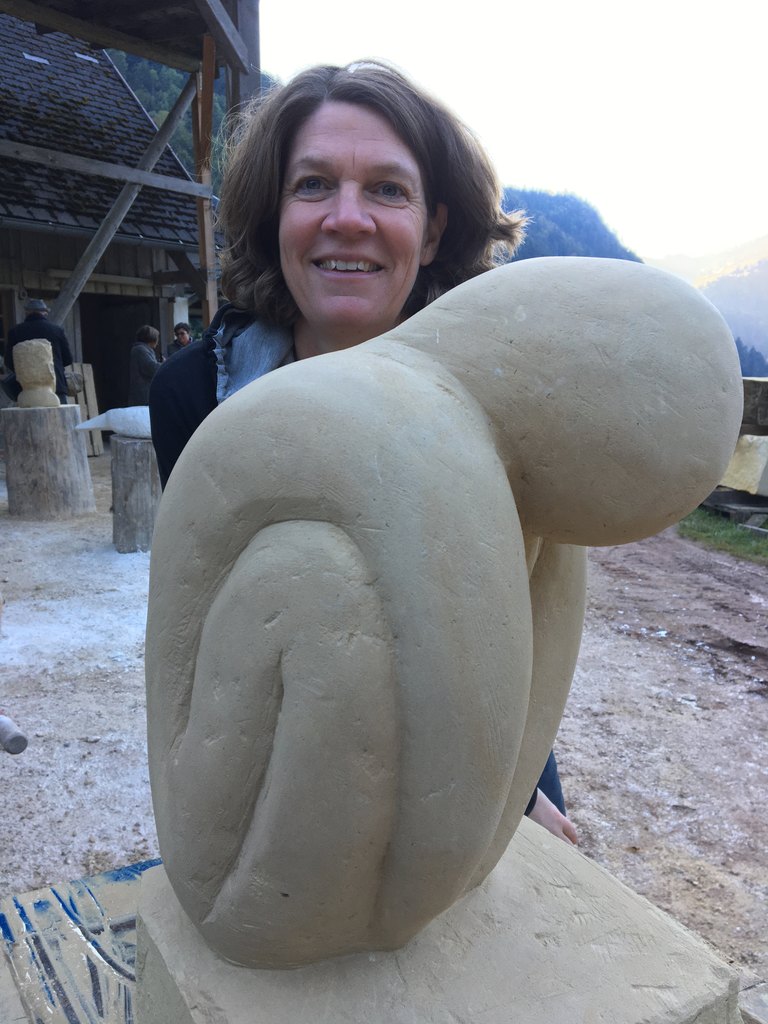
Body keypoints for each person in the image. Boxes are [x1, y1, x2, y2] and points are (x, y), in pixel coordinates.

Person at [149, 59, 576, 845]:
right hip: (282, 766)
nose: (348, 219)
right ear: (274, 215)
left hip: (464, 756)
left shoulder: (503, 406)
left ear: (433, 229)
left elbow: (505, 626)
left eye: (387, 189)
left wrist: (519, 790)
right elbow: (207, 636)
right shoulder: (195, 399)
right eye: (313, 185)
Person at [5, 298, 73, 405]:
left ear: (27, 312)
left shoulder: (15, 332)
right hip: (55, 386)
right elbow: (68, 359)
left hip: (26, 389)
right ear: (45, 312)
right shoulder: (56, 331)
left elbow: (9, 362)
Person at [128, 324, 160, 405]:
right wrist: (166, 364)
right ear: (152, 338)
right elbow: (151, 369)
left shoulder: (142, 349)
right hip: (143, 395)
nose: (157, 342)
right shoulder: (140, 350)